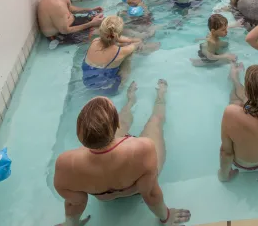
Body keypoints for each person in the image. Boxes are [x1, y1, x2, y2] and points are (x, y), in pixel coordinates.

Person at [53, 91, 191, 226]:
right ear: (116, 125)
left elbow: (75, 201)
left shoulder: (66, 163)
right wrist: (166, 217)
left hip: (104, 196)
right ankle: (159, 96)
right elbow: (150, 193)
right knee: (155, 121)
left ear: (79, 134)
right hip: (135, 189)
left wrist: (70, 224)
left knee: (115, 126)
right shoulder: (143, 148)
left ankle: (130, 101)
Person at [82, 17, 141, 92]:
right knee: (129, 53)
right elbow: (138, 42)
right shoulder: (120, 51)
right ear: (118, 34)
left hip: (87, 83)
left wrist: (116, 38)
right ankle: (123, 85)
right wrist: (122, 39)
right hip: (107, 88)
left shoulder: (95, 41)